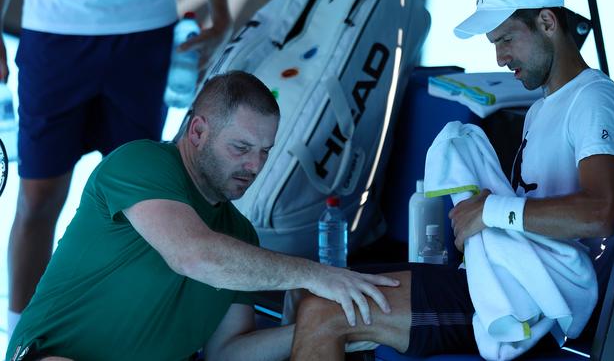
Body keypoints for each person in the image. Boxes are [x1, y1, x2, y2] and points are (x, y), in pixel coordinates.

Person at [289, 0, 614, 359]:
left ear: (548, 23)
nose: (500, 58)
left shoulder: (595, 100)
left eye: (506, 39)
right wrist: (483, 222)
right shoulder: (541, 110)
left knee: (324, 312)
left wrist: (488, 212)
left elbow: (601, 212)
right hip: (503, 279)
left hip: (540, 300)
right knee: (311, 293)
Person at [5, 71, 399, 361]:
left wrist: (329, 329)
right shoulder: (141, 163)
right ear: (197, 132)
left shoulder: (239, 237)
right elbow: (193, 254)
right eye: (241, 147)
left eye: (265, 151)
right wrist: (316, 274)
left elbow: (226, 352)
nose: (255, 165)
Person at [0, 0, 232, 337]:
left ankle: (127, 341)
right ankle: (22, 344)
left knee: (139, 204)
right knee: (37, 199)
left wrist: (222, 14)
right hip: (54, 32)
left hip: (144, 32)